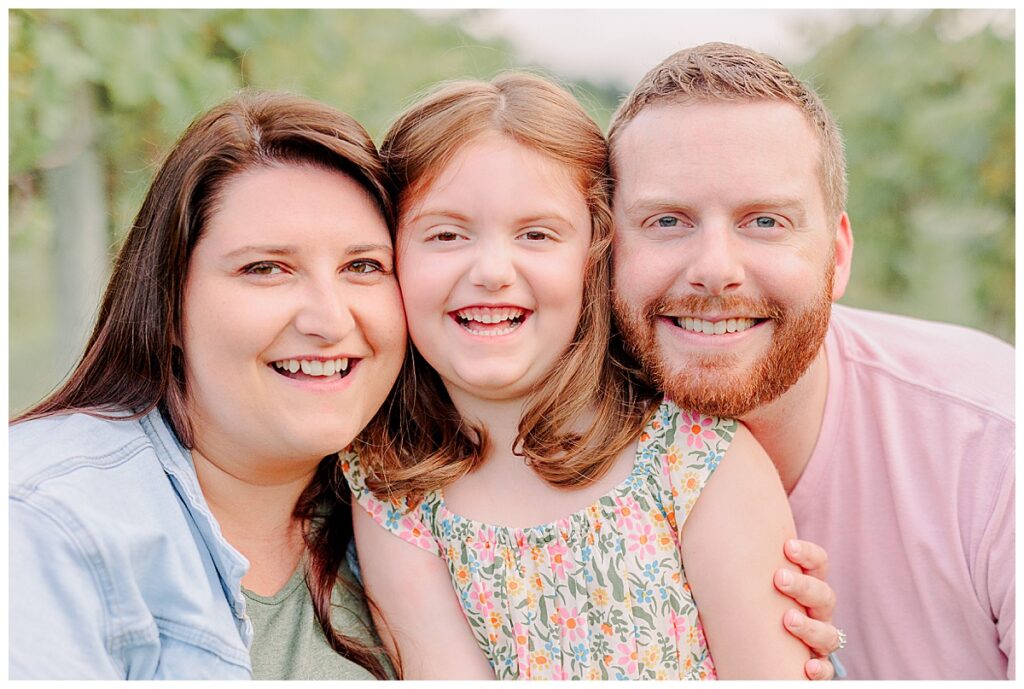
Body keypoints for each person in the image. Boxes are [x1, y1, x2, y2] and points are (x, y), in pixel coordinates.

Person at [344, 72, 838, 680]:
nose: (493, 271)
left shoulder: (694, 462)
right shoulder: (393, 486)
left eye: (536, 234)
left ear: (597, 254)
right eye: (446, 235)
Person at [608, 42, 1014, 680]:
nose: (715, 269)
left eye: (765, 221)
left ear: (839, 256)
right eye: (665, 221)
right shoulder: (536, 466)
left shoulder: (994, 444)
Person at [9, 91, 406, 679]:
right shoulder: (44, 524)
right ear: (168, 303)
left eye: (364, 266)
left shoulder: (422, 519)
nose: (330, 320)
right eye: (266, 268)